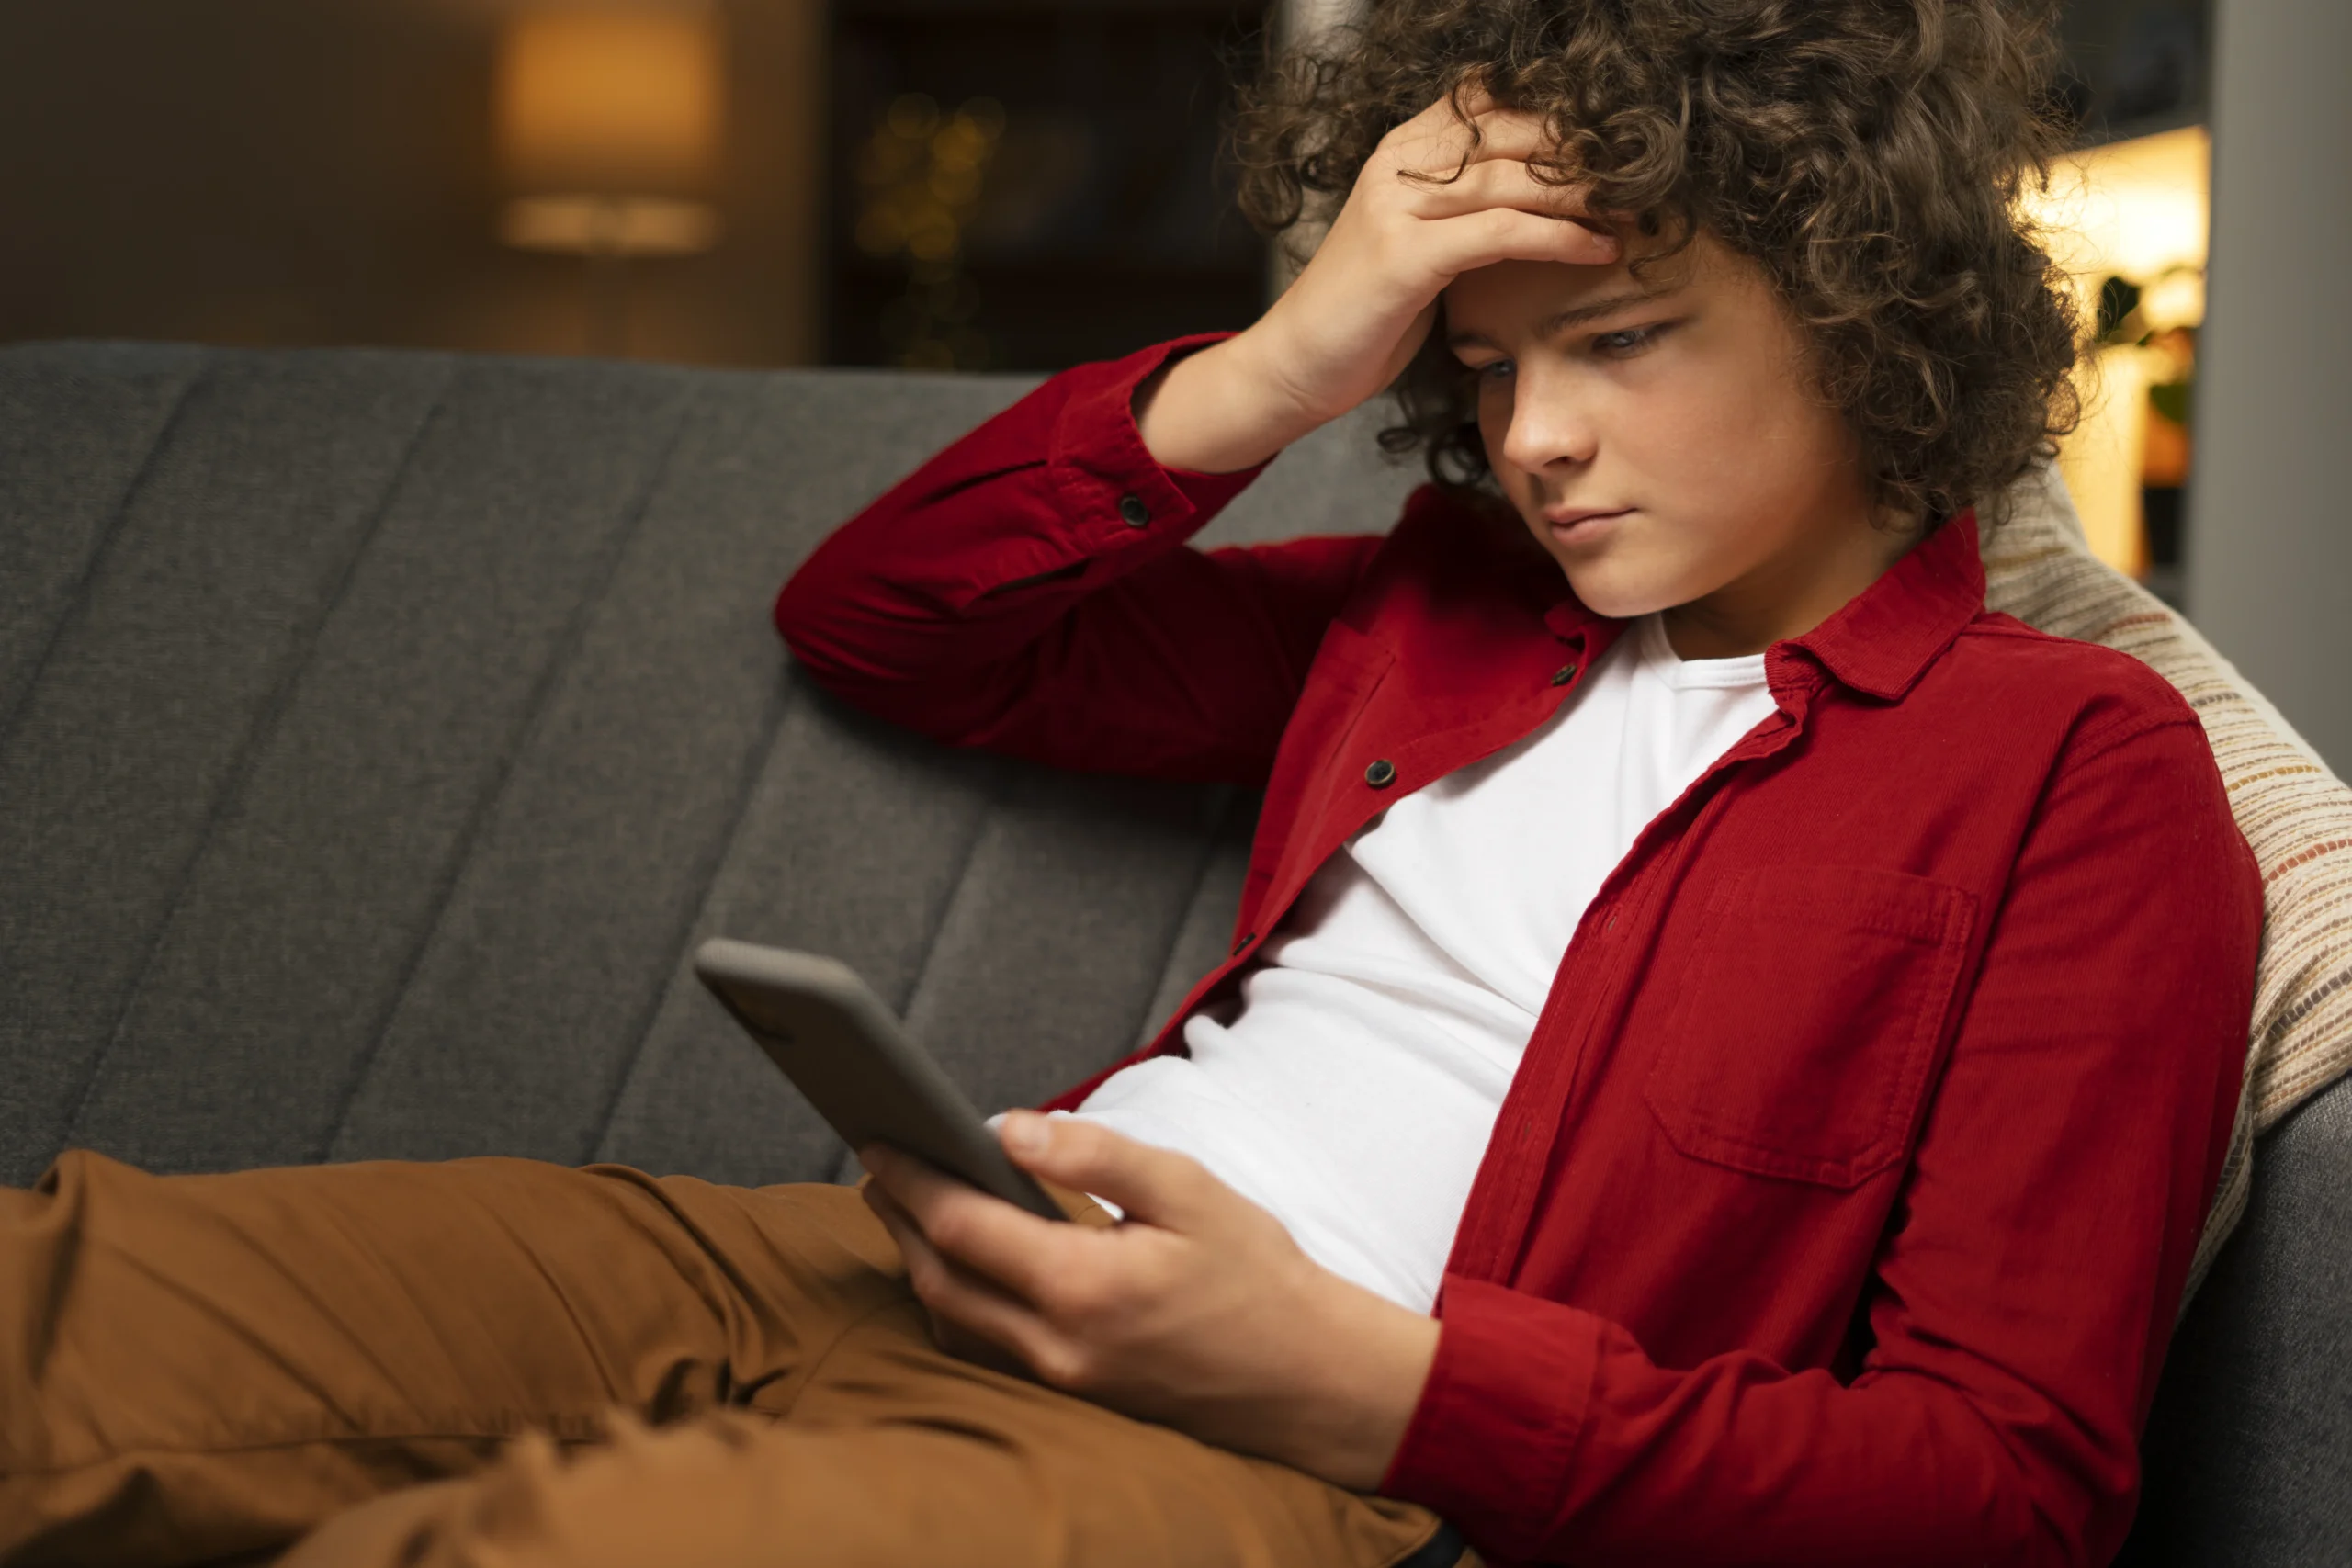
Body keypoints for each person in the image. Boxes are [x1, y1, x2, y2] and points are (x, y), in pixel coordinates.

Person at [1, 2, 2261, 1564]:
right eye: (1484, 366)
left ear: (1862, 313)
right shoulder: (1447, 605)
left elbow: (1996, 1494)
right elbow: (888, 620)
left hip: (1310, 1467)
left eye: (1616, 338)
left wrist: (1362, 1386)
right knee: (76, 1300)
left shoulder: (2073, 770)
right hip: (899, 1261)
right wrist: (1283, 361)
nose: (1533, 436)